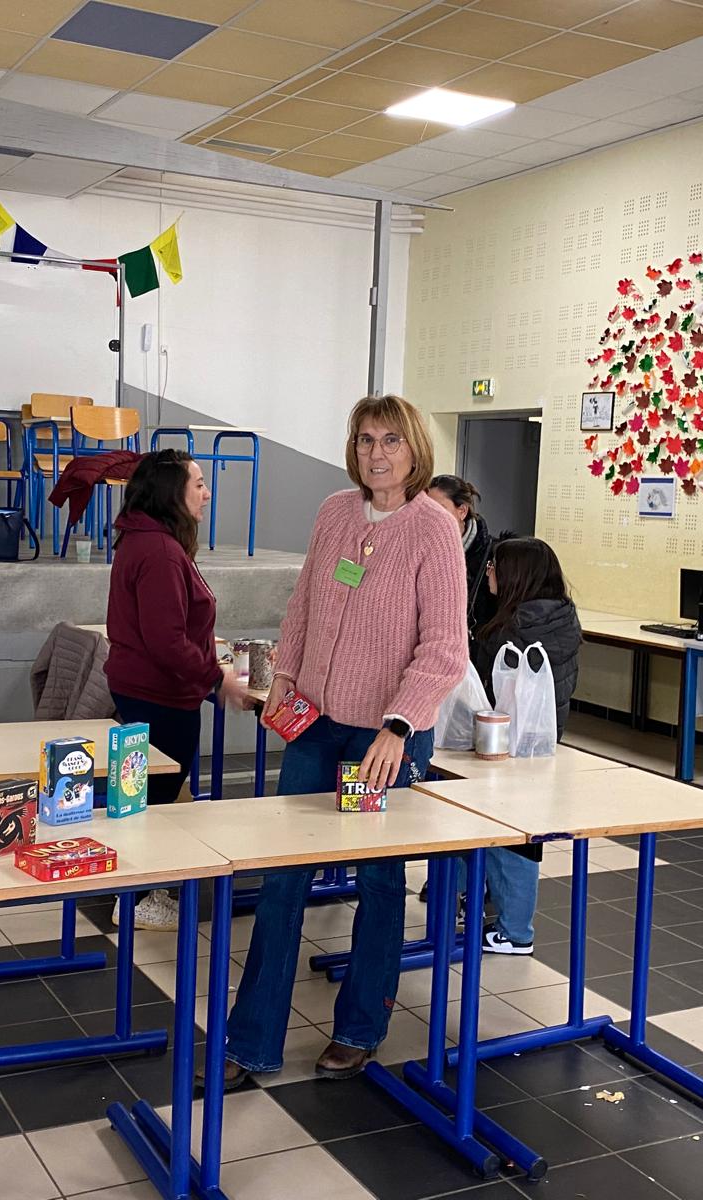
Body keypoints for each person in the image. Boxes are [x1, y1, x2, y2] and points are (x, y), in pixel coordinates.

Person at [219, 395, 468, 1086]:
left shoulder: (433, 528)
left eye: (390, 440)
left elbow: (445, 647)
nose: (376, 454)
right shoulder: (334, 512)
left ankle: (360, 1028)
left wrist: (400, 725)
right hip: (316, 725)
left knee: (379, 881)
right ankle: (251, 1041)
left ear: (415, 449)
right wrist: (284, 679)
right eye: (364, 440)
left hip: (382, 737)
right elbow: (303, 606)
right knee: (283, 877)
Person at [106, 448, 249, 931]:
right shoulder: (161, 551)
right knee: (156, 801)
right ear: (172, 492)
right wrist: (217, 678)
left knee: (149, 795)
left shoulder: (147, 540)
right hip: (159, 695)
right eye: (199, 484)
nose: (207, 494)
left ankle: (141, 890)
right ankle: (137, 898)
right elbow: (166, 641)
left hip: (149, 688)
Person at [470, 537, 581, 955]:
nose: (489, 573)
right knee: (520, 834)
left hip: (506, 744)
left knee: (511, 840)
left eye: (495, 566)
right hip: (542, 744)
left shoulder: (512, 631)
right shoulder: (562, 619)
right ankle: (506, 919)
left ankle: (515, 931)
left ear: (515, 576)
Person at [426, 474, 495, 637]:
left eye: (439, 511)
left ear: (462, 511)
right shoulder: (419, 553)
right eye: (427, 511)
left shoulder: (492, 556)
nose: (431, 519)